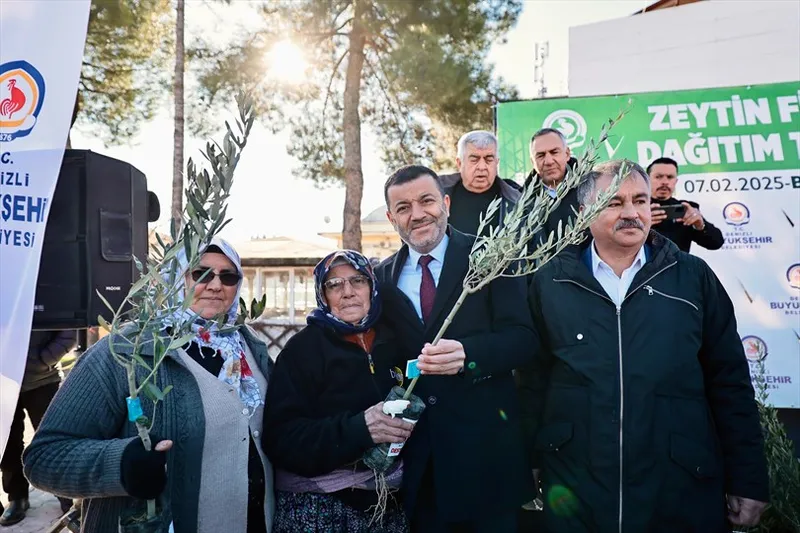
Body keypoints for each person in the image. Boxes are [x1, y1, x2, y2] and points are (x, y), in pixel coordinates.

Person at [517, 160, 769, 532]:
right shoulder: (550, 281)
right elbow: (533, 379)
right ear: (585, 212)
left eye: (639, 200)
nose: (631, 213)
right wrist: (528, 461)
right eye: (614, 203)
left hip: (677, 485)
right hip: (577, 486)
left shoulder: (691, 278)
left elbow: (729, 381)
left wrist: (748, 479)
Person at [23, 238, 275, 533]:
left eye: (228, 276)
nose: (216, 285)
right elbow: (44, 457)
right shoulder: (125, 352)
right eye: (201, 273)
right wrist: (120, 465)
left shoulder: (249, 347)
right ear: (174, 277)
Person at [377, 165, 536, 532]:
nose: (416, 214)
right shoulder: (382, 278)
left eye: (426, 201)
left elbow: (524, 339)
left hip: (487, 461)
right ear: (391, 218)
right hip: (420, 468)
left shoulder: (491, 256)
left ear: (446, 203)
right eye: (403, 208)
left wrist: (469, 354)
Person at [263, 249, 413, 533]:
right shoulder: (302, 350)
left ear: (372, 286)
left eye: (357, 281)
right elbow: (281, 439)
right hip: (319, 510)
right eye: (334, 284)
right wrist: (360, 429)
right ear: (323, 294)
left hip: (388, 506)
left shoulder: (393, 343)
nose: (348, 292)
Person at [0, 330, 76, 526]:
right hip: (5, 383)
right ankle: (17, 498)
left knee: (54, 443)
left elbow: (68, 332)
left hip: (44, 380)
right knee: (9, 445)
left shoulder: (49, 297)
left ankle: (68, 498)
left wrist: (42, 361)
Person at [439, 131, 521, 236]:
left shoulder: (516, 199)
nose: (482, 167)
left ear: (497, 162)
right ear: (460, 163)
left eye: (489, 159)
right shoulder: (437, 192)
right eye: (474, 160)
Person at [648, 157, 724, 253]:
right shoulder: (634, 208)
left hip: (679, 265)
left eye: (670, 177)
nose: (665, 182)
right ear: (647, 179)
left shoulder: (687, 209)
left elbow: (716, 243)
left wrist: (700, 225)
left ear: (676, 181)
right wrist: (640, 224)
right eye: (658, 177)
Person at [523, 128, 579, 246]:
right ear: (533, 162)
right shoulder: (522, 203)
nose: (548, 161)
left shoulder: (592, 189)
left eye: (554, 152)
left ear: (567, 154)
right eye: (540, 155)